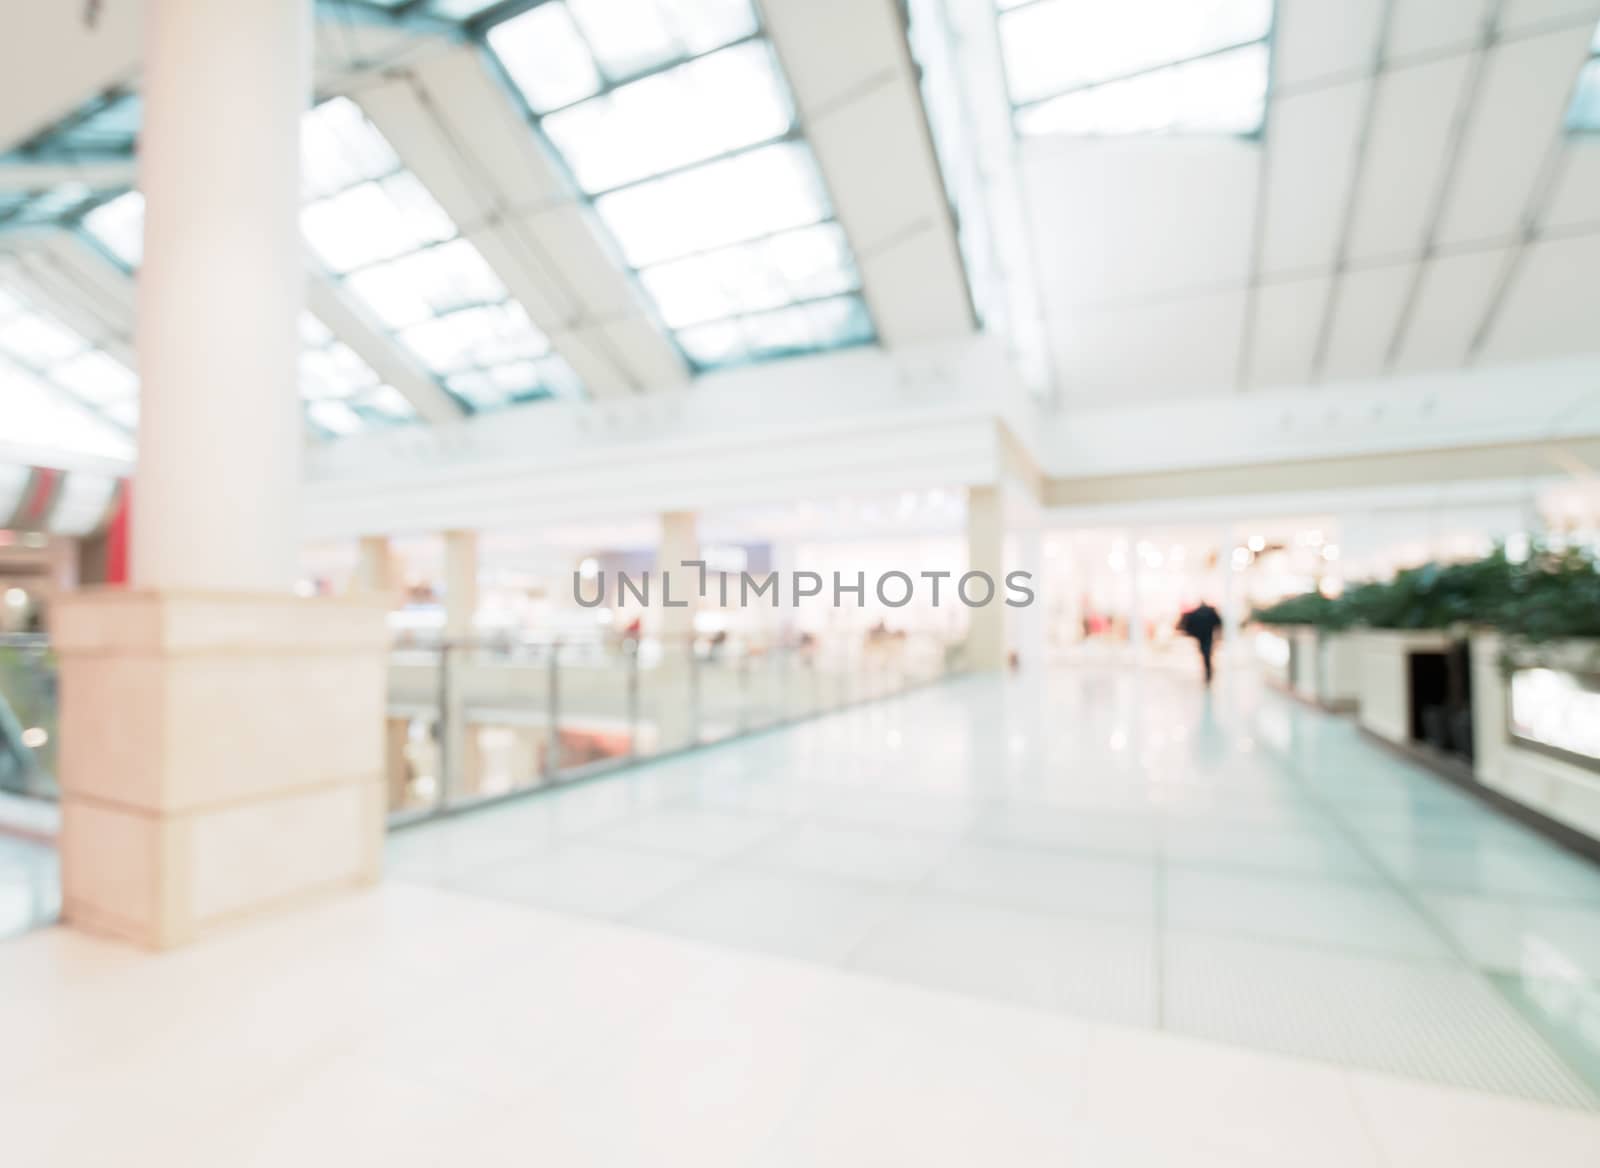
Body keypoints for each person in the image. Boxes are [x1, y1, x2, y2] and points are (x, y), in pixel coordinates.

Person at [1177, 601, 1223, 684]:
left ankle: (1208, 670)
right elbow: (1218, 622)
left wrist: (1193, 633)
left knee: (1205, 653)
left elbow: (1189, 624)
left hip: (1201, 636)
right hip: (1208, 635)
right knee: (1207, 653)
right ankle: (1208, 670)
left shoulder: (1196, 612)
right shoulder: (1210, 611)